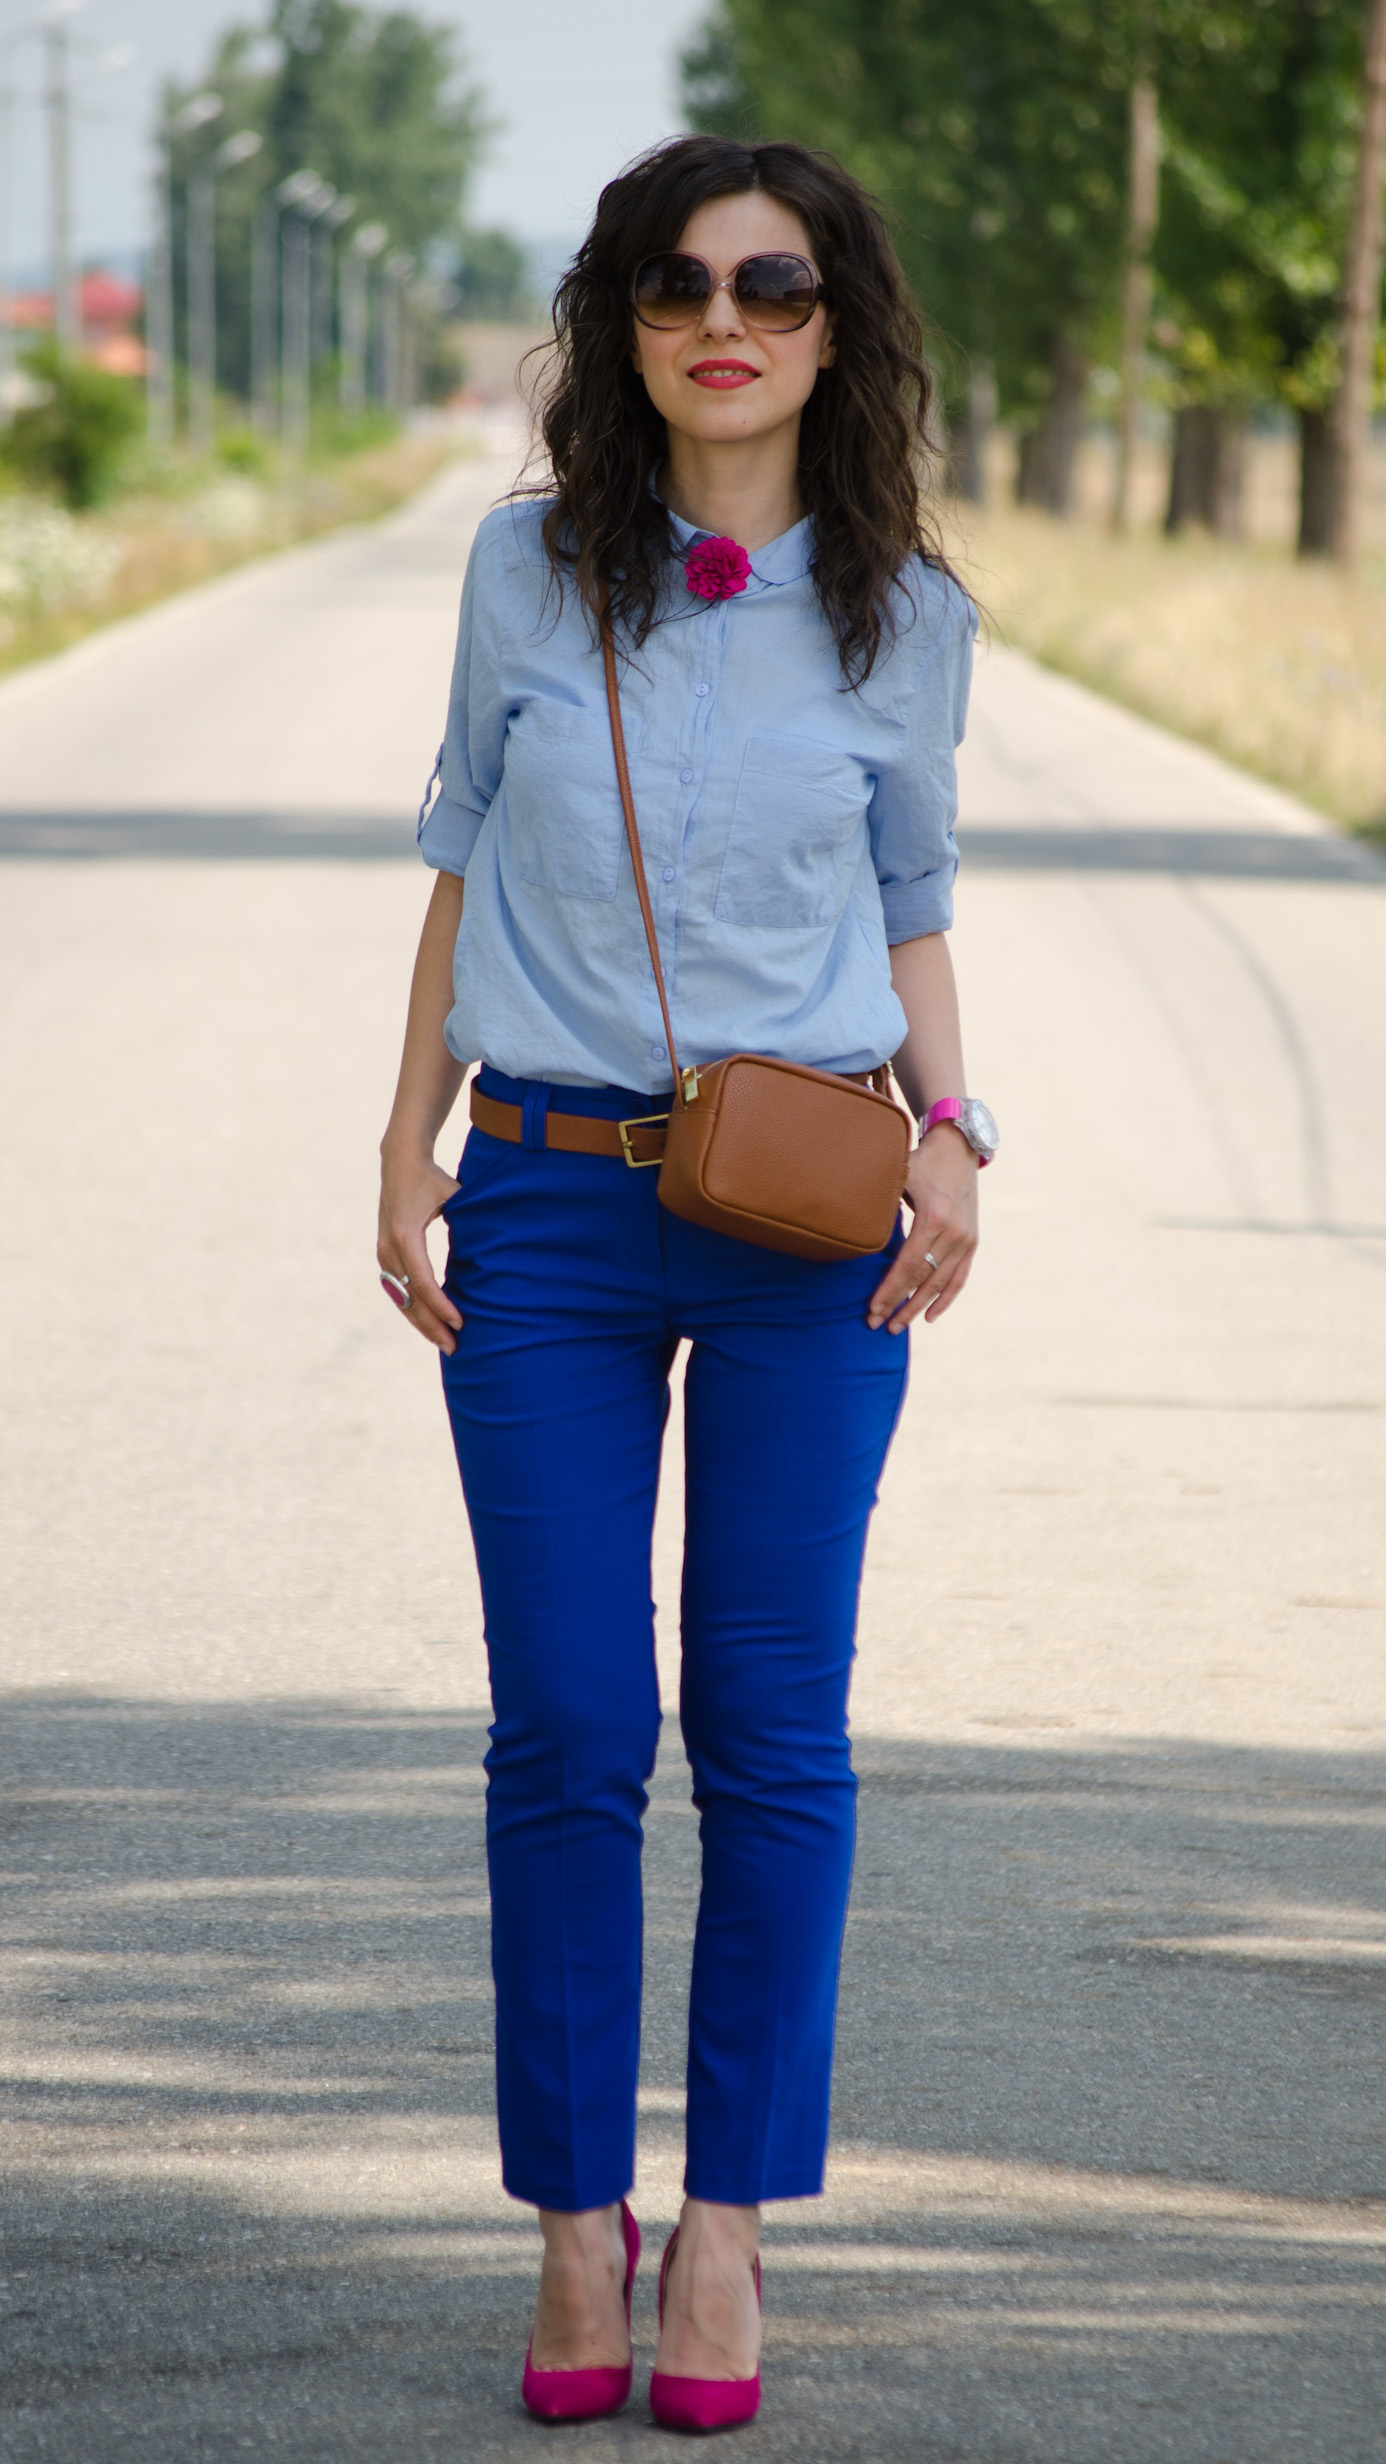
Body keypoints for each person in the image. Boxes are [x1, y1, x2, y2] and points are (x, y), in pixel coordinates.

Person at [376, 133, 994, 2433]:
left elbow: (913, 897)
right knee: (561, 1723)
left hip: (807, 1224)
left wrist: (960, 1135)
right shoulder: (523, 572)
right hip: (538, 1198)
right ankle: (570, 2213)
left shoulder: (901, 611)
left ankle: (726, 2218)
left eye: (774, 282)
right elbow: (456, 854)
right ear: (620, 322)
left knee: (770, 1724)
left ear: (839, 330)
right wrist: (401, 1139)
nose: (721, 316)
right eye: (673, 281)